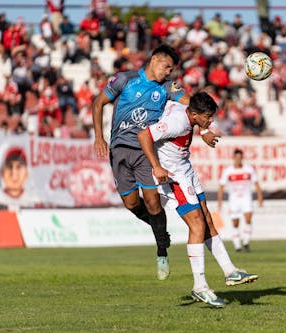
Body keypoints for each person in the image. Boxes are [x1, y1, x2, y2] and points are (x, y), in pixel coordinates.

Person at [92, 44, 217, 280]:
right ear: (154, 60)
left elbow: (193, 107)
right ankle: (159, 230)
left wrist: (204, 126)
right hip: (119, 149)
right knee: (131, 204)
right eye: (166, 66)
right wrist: (99, 137)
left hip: (145, 151)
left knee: (152, 201)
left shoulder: (168, 87)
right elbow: (98, 103)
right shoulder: (124, 79)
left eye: (172, 68)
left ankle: (161, 249)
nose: (168, 72)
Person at [137, 92, 258, 308]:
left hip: (186, 170)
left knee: (208, 220)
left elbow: (185, 101)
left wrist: (203, 130)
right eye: (208, 117)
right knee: (197, 224)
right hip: (173, 177)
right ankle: (200, 286)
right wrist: (156, 166)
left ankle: (230, 271)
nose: (211, 121)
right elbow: (144, 136)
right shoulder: (176, 124)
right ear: (194, 114)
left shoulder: (187, 110)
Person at [217, 149, 263, 253]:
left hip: (246, 199)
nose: (238, 160)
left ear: (242, 158)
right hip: (234, 200)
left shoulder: (248, 169)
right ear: (234, 158)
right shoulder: (228, 171)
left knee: (248, 218)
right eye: (236, 158)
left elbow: (256, 183)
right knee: (235, 223)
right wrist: (219, 201)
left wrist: (260, 197)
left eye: (240, 158)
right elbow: (221, 186)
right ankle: (237, 245)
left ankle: (246, 241)